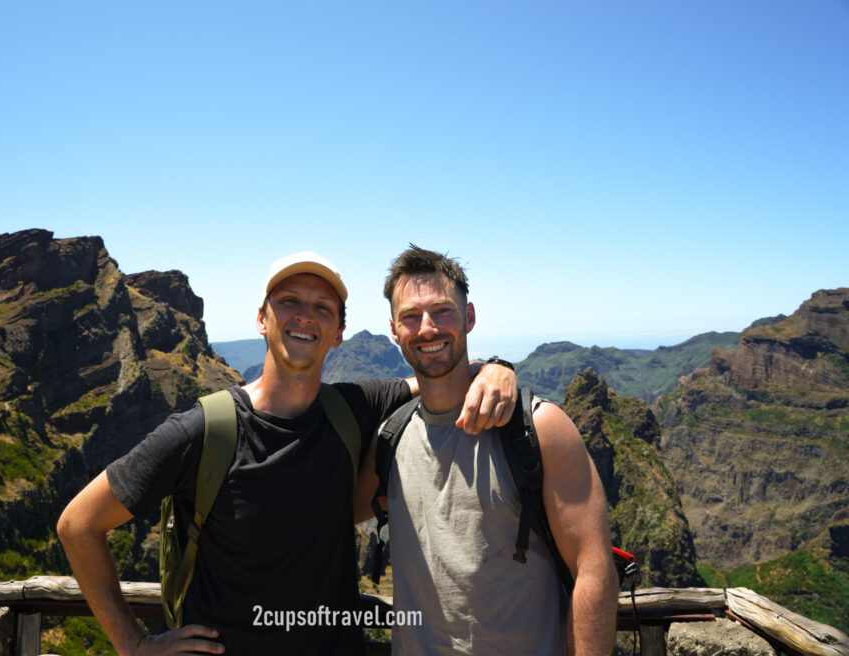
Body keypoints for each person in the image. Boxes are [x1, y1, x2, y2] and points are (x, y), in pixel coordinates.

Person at [57, 251, 519, 656]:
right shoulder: (204, 431)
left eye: (322, 308)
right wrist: (132, 643)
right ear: (262, 318)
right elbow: (79, 524)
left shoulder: (355, 408)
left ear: (338, 333)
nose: (305, 316)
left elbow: (440, 372)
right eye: (289, 302)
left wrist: (497, 369)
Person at [360, 245, 618, 655]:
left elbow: (593, 568)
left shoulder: (541, 428)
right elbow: (325, 523)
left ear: (470, 317)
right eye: (411, 316)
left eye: (442, 310)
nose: (427, 328)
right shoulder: (390, 438)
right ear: (394, 331)